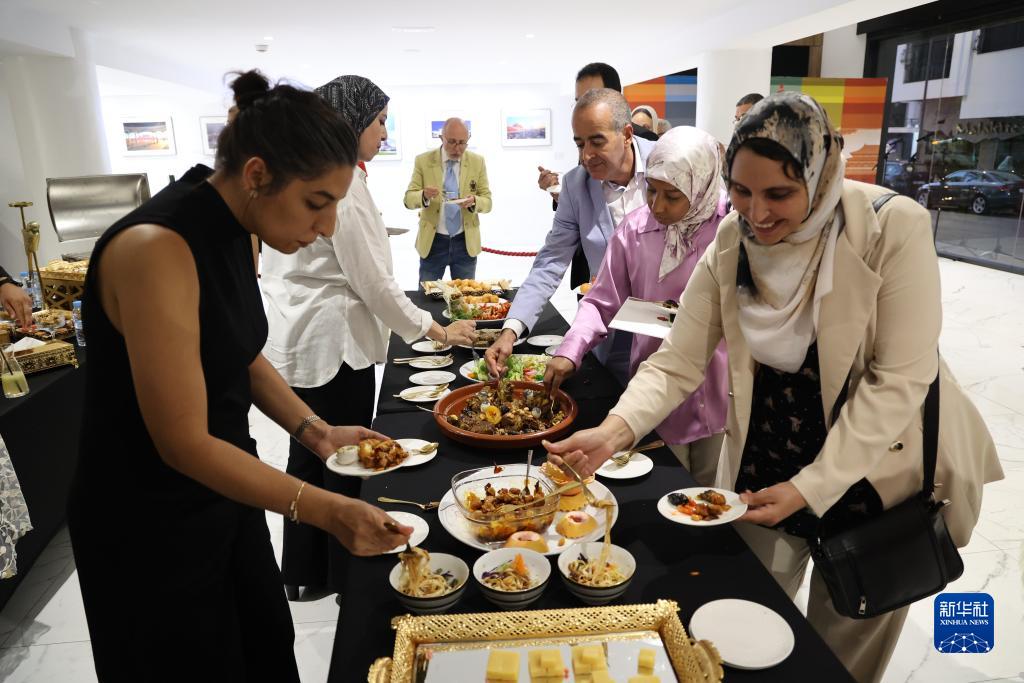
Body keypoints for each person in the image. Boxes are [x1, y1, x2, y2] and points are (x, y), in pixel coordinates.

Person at [543, 92, 1003, 683]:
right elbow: (679, 359)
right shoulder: (731, 240)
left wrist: (811, 486)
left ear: (822, 171)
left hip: (874, 478)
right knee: (744, 626)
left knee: (840, 656)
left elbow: (897, 382)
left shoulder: (891, 227)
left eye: (779, 193)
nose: (757, 214)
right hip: (767, 468)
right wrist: (614, 431)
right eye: (741, 191)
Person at [68, 71, 413, 681]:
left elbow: (237, 353)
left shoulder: (236, 225)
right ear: (257, 174)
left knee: (264, 650)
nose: (329, 226)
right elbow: (182, 442)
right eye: (317, 202)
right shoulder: (156, 246)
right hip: (149, 519)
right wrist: (325, 509)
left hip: (224, 487)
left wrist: (318, 433)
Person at [261, 75, 475, 600]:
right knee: (342, 461)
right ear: (351, 121)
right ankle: (343, 576)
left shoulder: (308, 171)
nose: (384, 133)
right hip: (333, 345)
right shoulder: (343, 184)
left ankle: (304, 571)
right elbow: (372, 281)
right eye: (379, 121)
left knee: (306, 457)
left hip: (301, 337)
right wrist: (435, 329)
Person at [544, 127, 730, 484]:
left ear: (701, 186)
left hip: (720, 390)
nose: (657, 206)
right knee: (665, 488)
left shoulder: (730, 230)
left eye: (672, 196)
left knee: (715, 496)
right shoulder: (635, 229)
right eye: (651, 190)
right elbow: (602, 300)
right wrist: (571, 350)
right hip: (655, 389)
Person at [486, 88, 656, 384]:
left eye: (597, 142)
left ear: (627, 134)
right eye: (579, 143)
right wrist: (511, 330)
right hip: (609, 333)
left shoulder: (668, 161)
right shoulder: (577, 185)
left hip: (669, 335)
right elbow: (550, 261)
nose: (586, 155)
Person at [404, 118, 492, 282]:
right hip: (433, 242)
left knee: (465, 296)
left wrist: (475, 201)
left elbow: (487, 201)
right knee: (428, 295)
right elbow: (408, 199)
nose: (457, 148)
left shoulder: (477, 162)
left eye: (462, 143)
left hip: (465, 243)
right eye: (451, 142)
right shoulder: (423, 161)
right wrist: (423, 195)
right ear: (441, 138)